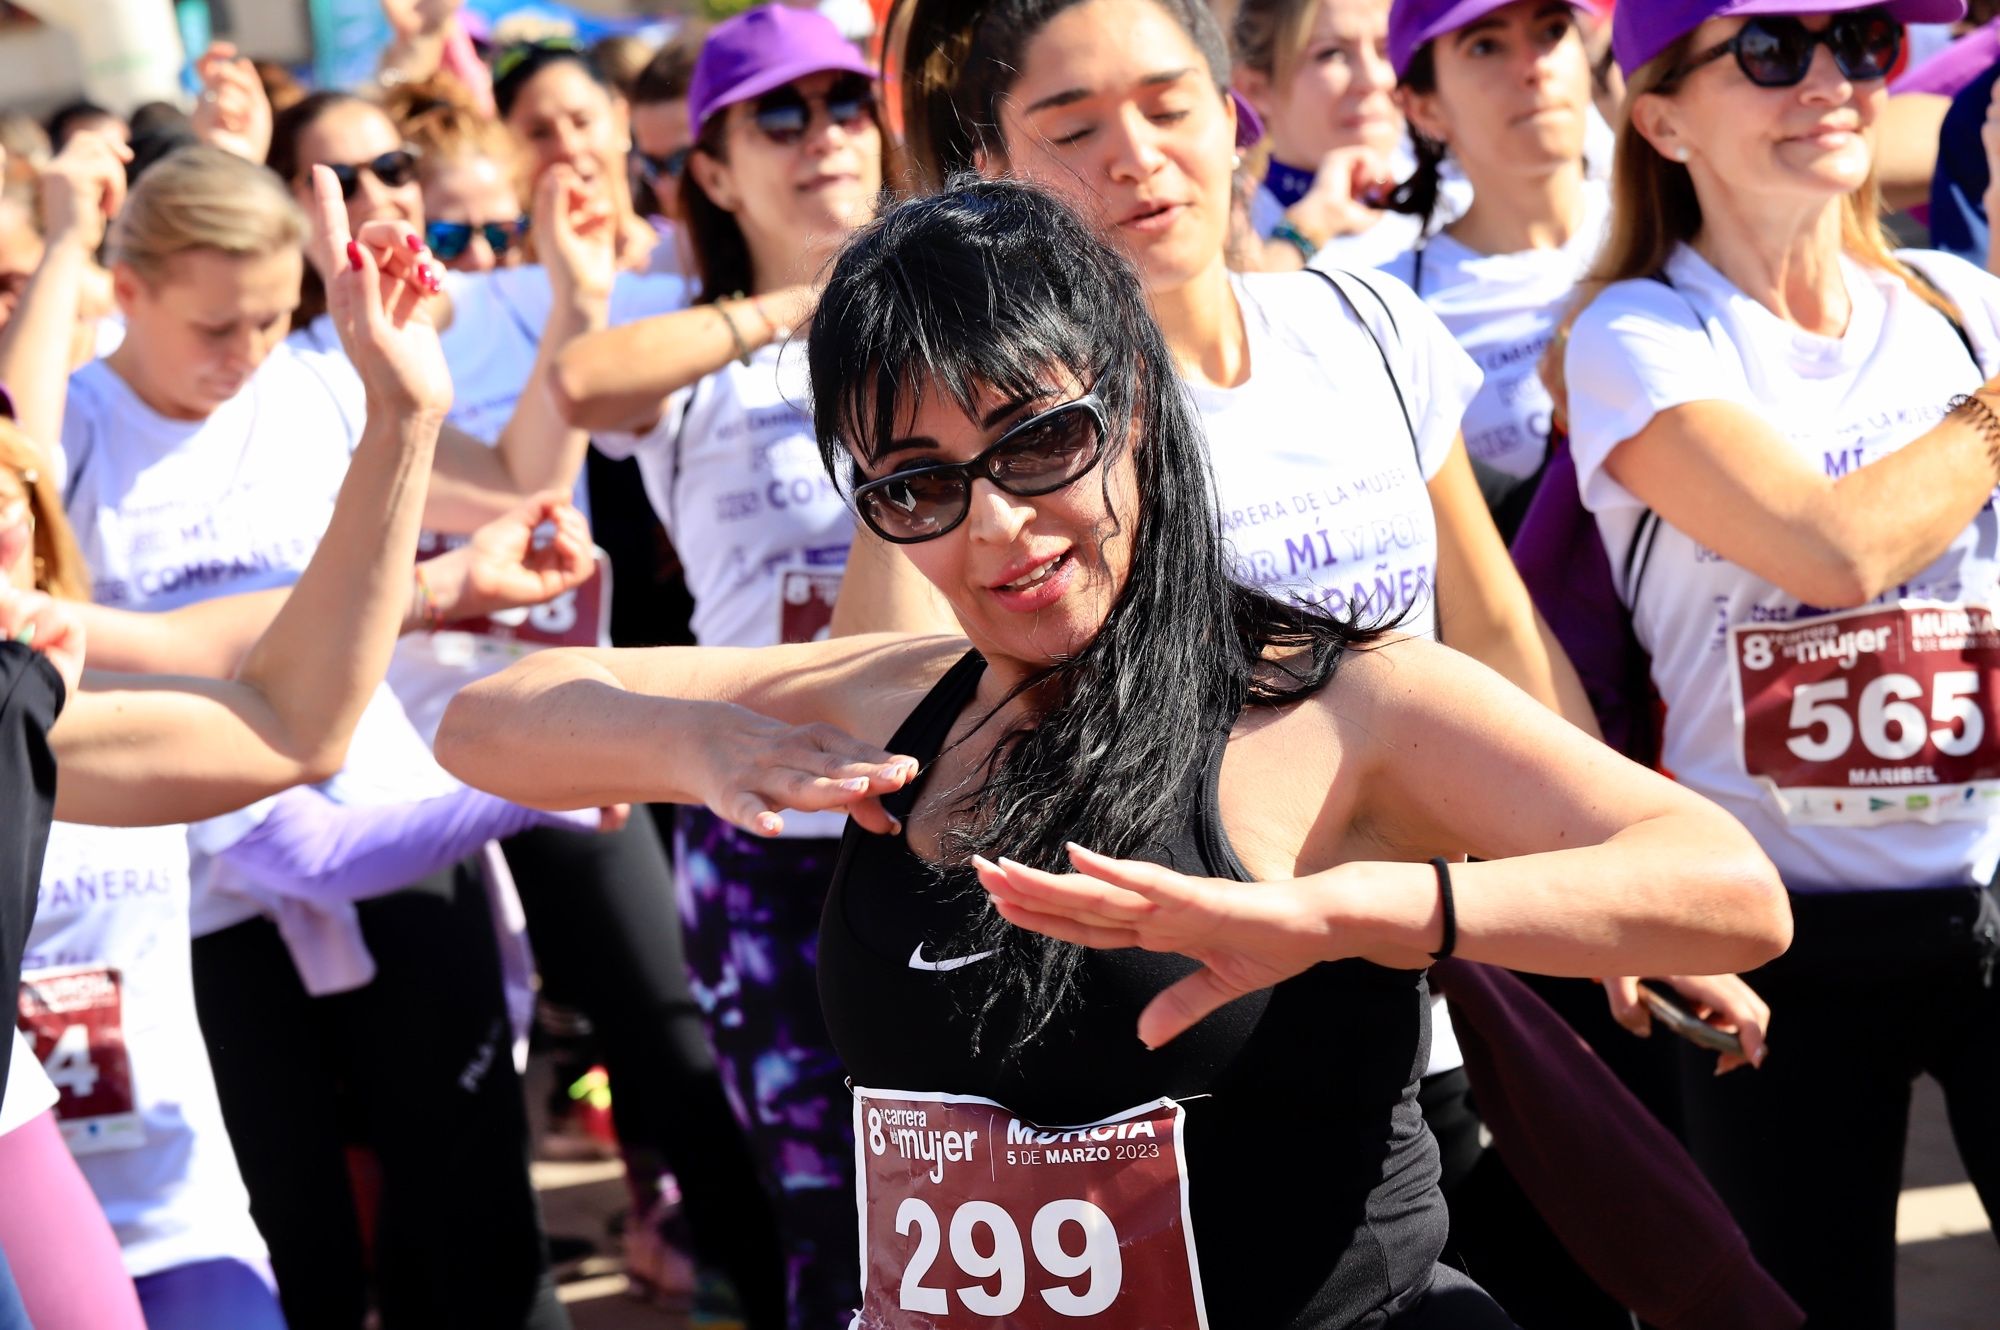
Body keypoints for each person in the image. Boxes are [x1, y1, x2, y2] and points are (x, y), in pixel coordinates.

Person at [436, 176, 1793, 1330]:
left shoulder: (1341, 701)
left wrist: (1363, 914)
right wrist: (709, 742)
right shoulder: (900, 698)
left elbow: (1730, 887)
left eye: (1042, 444)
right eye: (917, 484)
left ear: (1138, 407)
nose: (1001, 531)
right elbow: (488, 718)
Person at [267, 78, 780, 1322]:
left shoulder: (478, 307)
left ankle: (760, 1283)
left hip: (560, 727)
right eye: (338, 179)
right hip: (388, 783)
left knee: (668, 1030)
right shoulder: (279, 370)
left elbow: (527, 483)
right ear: (287, 209)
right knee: (455, 1120)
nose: (380, 197)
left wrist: (571, 294)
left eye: (394, 168)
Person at [1551, 3, 2000, 1324]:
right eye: (1771, 51)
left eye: (1860, 42)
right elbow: (1831, 550)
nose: (1833, 82)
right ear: (1662, 115)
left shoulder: (1961, 307)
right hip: (1765, 947)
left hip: (1985, 896)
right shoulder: (1635, 337)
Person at [552, 9, 887, 1322]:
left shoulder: (960, 300)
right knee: (823, 1207)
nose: (822, 141)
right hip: (767, 826)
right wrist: (806, 305)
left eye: (845, 105)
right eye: (780, 117)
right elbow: (586, 381)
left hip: (958, 806)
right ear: (710, 165)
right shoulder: (685, 341)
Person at [1378, 0, 1610, 535]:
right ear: (1423, 106)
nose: (1534, 65)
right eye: (1486, 45)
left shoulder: (1675, 231)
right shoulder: (1391, 312)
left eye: (1552, 30)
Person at [494, 38, 662, 271]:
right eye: (539, 133)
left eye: (582, 122)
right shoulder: (497, 287)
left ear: (621, 121)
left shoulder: (689, 262)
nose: (569, 148)